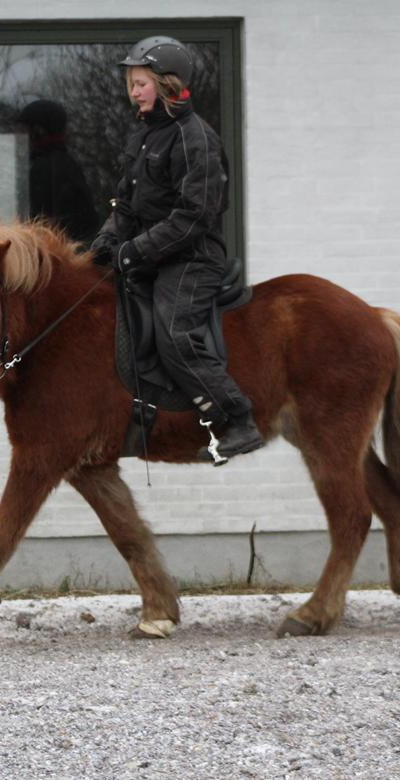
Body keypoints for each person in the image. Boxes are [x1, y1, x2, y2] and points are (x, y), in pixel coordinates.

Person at [89, 36, 265, 462]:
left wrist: (136, 251)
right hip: (152, 254)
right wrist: (107, 241)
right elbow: (127, 205)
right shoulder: (143, 136)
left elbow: (193, 216)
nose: (133, 90)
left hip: (191, 258)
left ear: (168, 84)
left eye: (141, 82)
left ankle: (235, 418)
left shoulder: (195, 138)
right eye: (130, 82)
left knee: (173, 332)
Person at [16, 99, 99, 243]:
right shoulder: (69, 164)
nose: (20, 138)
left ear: (38, 132)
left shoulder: (45, 168)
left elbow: (41, 221)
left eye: (25, 132)